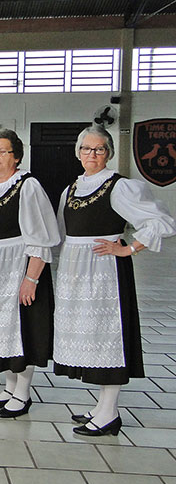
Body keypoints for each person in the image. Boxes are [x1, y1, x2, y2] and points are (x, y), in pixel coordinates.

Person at [54, 125, 176, 436]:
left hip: (105, 272)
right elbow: (62, 232)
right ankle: (101, 407)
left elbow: (161, 221)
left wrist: (129, 248)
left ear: (108, 153)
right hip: (75, 272)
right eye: (86, 148)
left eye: (99, 149)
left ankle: (109, 413)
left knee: (108, 337)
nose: (91, 154)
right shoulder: (71, 188)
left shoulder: (119, 187)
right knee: (90, 337)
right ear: (78, 152)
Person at [0, 129, 60, 418]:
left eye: (3, 151)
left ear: (17, 156)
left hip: (18, 264)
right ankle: (9, 388)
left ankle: (23, 393)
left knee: (23, 329)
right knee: (0, 330)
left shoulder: (28, 185)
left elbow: (42, 238)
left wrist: (31, 279)